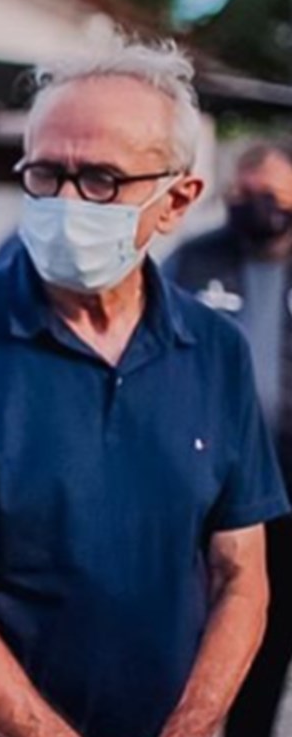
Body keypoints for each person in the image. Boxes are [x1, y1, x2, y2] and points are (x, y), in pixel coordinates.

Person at [0, 39, 289, 737]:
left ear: (176, 200)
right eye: (44, 174)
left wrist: (193, 723)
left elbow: (242, 574)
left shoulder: (216, 351)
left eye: (100, 180)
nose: (65, 202)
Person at [165, 142, 292, 737]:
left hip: (286, 491)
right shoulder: (195, 261)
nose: (254, 204)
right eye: (243, 192)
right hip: (208, 486)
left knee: (270, 628)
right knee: (193, 623)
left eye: (271, 193)